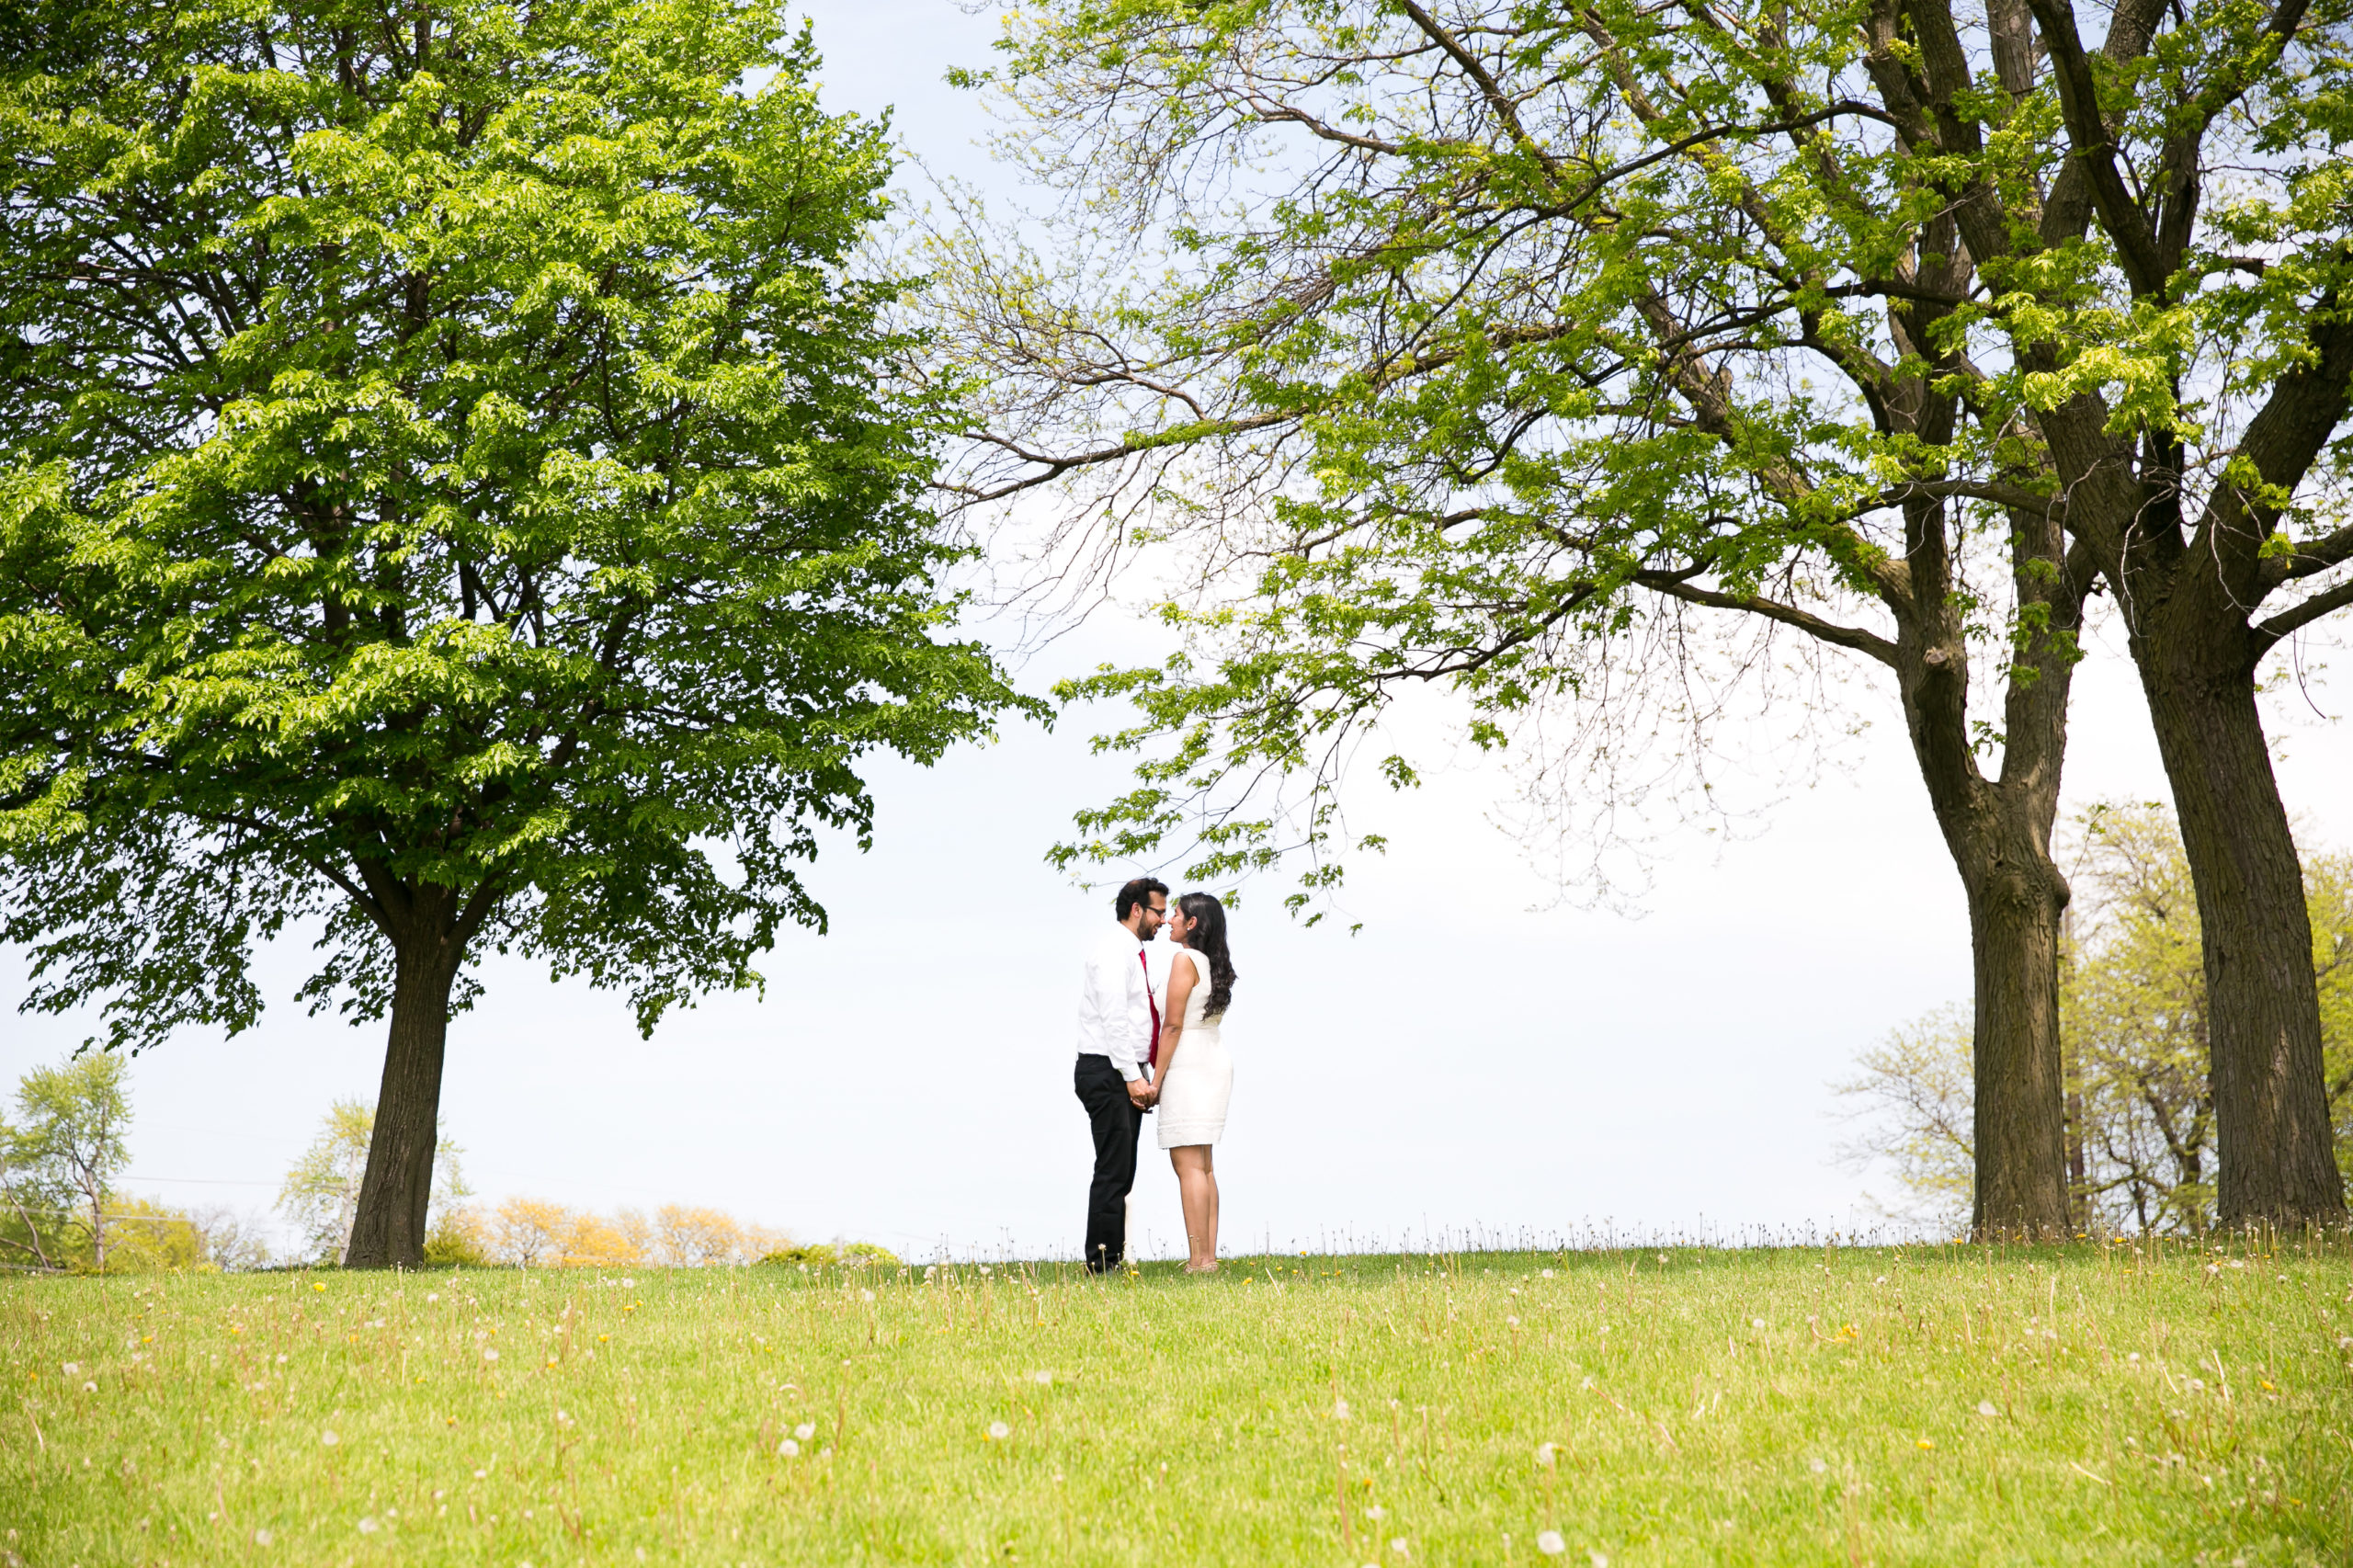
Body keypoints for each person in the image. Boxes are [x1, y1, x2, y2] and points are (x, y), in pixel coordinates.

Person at [1074, 876, 1167, 1272]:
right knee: (1113, 1169)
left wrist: (1141, 1071)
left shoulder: (1129, 952)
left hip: (1120, 1070)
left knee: (1122, 1168)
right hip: (1107, 1070)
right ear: (1137, 910)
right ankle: (1101, 1263)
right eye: (1159, 912)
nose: (1162, 921)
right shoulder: (1114, 951)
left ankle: (1111, 1255)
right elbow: (1114, 1020)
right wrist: (1132, 1076)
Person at [1151, 891, 1237, 1274]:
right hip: (1213, 1058)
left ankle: (1198, 1259)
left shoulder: (1184, 959)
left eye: (1176, 915)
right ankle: (1208, 1257)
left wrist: (1155, 1079)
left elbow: (1172, 1024)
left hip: (1187, 1062)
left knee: (1187, 1166)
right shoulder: (1213, 962)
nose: (1169, 920)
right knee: (1203, 1165)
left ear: (1192, 924)